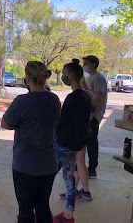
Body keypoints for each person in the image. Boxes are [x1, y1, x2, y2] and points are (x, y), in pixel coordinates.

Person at [1, 61, 61, 223]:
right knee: (43, 207)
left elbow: (5, 123)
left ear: (27, 77)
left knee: (26, 210)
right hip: (48, 163)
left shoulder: (22, 101)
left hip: (25, 164)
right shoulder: (54, 99)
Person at [53, 59, 92, 223]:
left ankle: (35, 211)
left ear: (71, 75)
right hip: (75, 144)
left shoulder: (73, 97)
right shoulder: (86, 95)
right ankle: (68, 214)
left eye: (63, 74)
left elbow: (61, 121)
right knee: (69, 179)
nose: (62, 76)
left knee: (45, 176)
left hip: (63, 143)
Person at [82, 55, 108, 179]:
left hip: (94, 114)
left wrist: (93, 116)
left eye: (85, 63)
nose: (84, 65)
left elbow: (98, 99)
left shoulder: (99, 78)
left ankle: (92, 169)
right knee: (86, 141)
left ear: (93, 64)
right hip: (88, 113)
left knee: (92, 142)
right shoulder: (89, 77)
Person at [72, 77, 94, 201]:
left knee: (79, 163)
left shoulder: (84, 94)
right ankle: (76, 190)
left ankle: (84, 191)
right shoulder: (88, 93)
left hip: (80, 132)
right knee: (79, 163)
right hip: (84, 131)